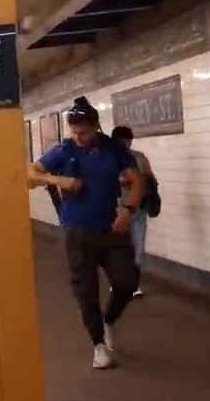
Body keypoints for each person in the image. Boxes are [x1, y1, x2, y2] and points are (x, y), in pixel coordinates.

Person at [28, 97, 144, 369]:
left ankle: (108, 320)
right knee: (86, 289)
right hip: (77, 231)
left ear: (96, 127)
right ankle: (98, 345)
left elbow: (138, 182)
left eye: (85, 132)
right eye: (75, 132)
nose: (79, 137)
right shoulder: (64, 150)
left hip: (112, 228)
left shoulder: (113, 149)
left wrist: (129, 211)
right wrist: (59, 180)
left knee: (127, 282)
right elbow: (30, 174)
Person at [111, 126, 155, 297]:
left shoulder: (139, 158)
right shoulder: (110, 159)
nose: (125, 145)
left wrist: (135, 181)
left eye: (126, 142)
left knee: (137, 248)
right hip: (117, 210)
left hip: (137, 209)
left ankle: (134, 284)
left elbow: (150, 180)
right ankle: (120, 284)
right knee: (120, 249)